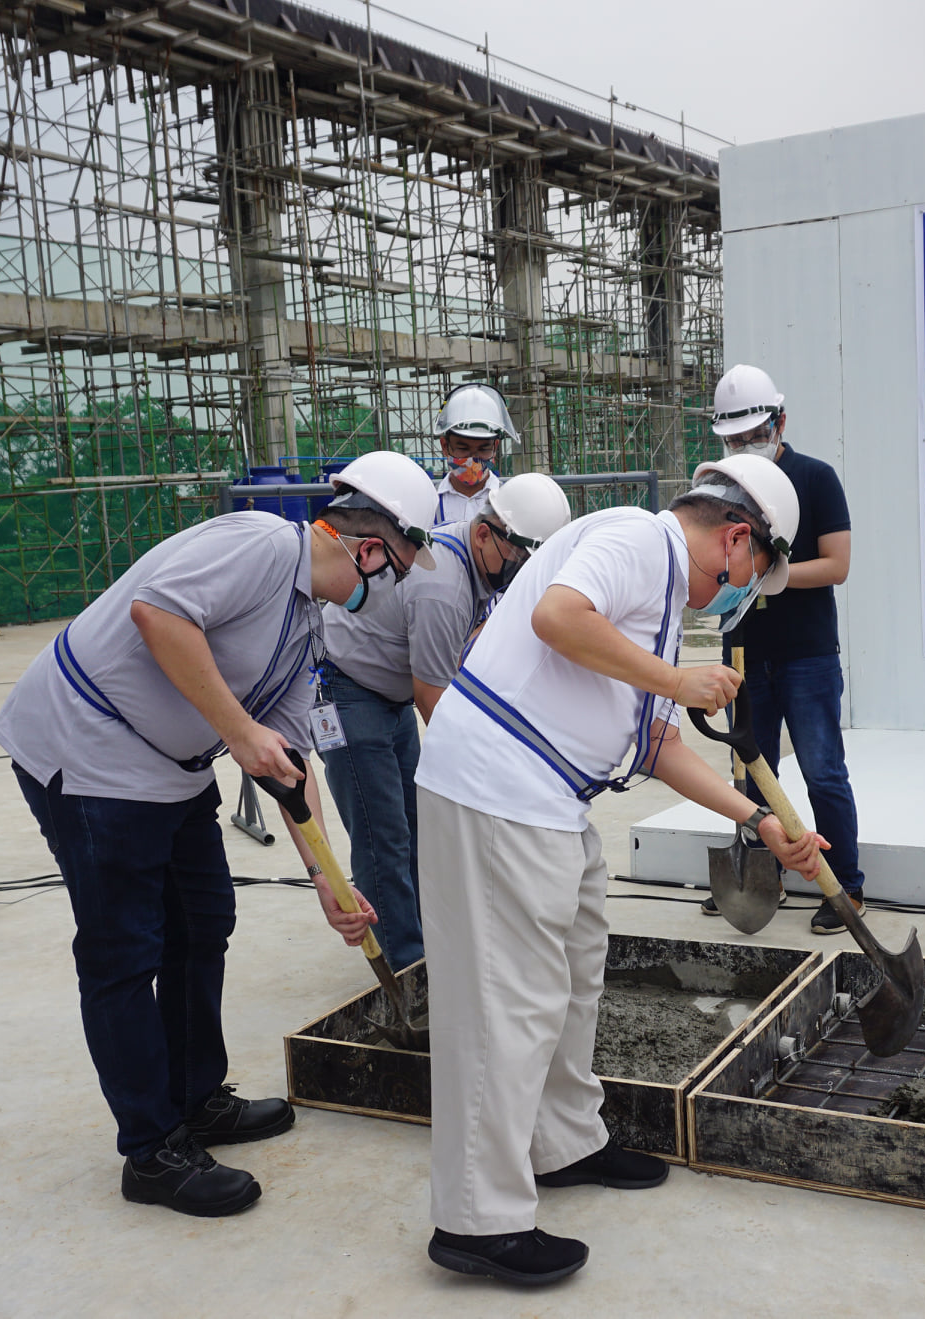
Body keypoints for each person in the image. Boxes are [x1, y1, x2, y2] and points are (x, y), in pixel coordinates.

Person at [409, 454, 827, 1286]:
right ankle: (476, 1219)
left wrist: (759, 820)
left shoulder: (665, 598)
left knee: (574, 972)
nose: (744, 590)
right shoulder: (637, 538)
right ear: (736, 537)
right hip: (500, 788)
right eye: (751, 574)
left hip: (549, 798)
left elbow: (661, 742)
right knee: (507, 1002)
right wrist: (678, 678)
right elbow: (559, 617)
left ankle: (563, 1141)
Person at [0, 450, 437, 1216]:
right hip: (89, 751)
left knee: (204, 921)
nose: (388, 588)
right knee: (124, 948)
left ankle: (196, 1097)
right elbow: (157, 613)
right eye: (396, 569)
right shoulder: (260, 544)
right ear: (370, 549)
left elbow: (289, 759)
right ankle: (152, 1149)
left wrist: (329, 881)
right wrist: (235, 730)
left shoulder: (308, 623)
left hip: (172, 764)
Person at [315, 471, 573, 970]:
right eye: (518, 560)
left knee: (415, 827)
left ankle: (422, 942)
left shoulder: (476, 560)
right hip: (347, 692)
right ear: (484, 534)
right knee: (382, 836)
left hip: (387, 692)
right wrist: (491, 782)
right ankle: (407, 969)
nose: (520, 574)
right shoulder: (445, 588)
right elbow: (434, 702)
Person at [700, 363, 865, 934]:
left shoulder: (814, 477)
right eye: (734, 437)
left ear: (780, 421)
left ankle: (844, 882)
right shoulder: (715, 487)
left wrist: (767, 572)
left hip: (806, 652)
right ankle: (753, 874)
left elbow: (837, 565)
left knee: (822, 770)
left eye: (754, 434)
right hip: (743, 648)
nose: (745, 446)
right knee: (749, 769)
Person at [432, 382, 517, 525]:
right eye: (463, 449)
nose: (472, 460)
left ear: (495, 447)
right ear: (445, 446)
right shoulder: (430, 502)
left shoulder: (510, 504)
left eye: (483, 449)